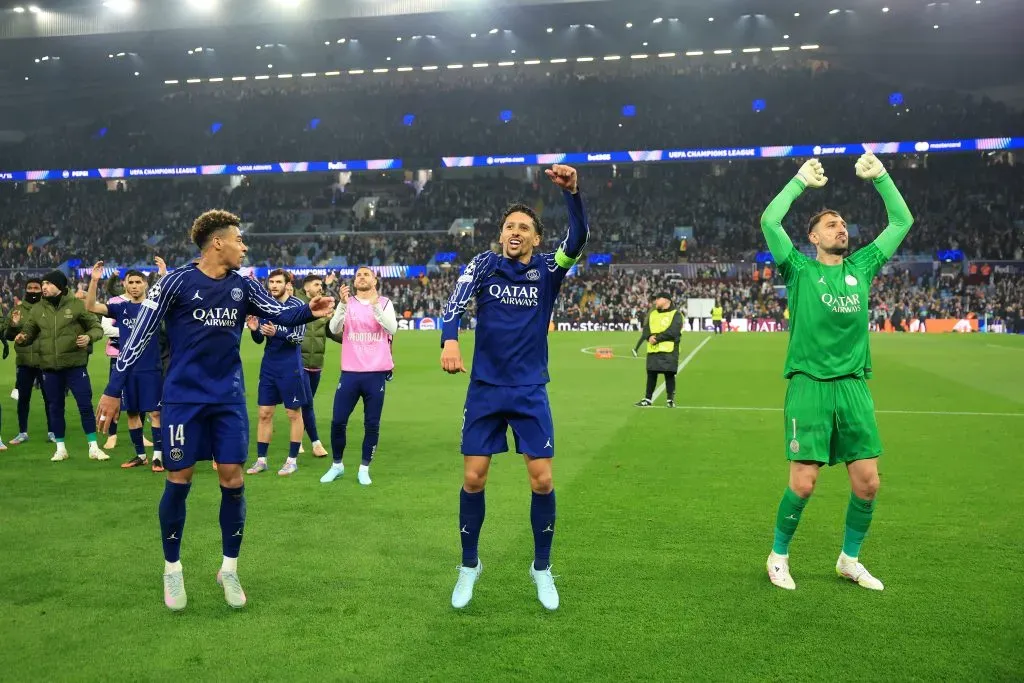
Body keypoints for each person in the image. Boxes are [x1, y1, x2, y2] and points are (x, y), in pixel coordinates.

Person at [94, 210, 334, 612]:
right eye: (240, 240)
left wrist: (310, 310)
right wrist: (114, 389)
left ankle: (229, 568)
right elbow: (140, 333)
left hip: (227, 398)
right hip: (184, 399)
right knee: (180, 476)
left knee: (232, 477)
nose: (244, 247)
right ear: (218, 242)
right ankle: (172, 568)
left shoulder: (245, 286)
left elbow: (279, 314)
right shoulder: (175, 282)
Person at [759, 153, 913, 592]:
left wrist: (882, 177)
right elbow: (770, 222)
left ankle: (849, 559)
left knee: (868, 483)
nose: (840, 228)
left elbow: (901, 221)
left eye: (843, 223)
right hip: (809, 386)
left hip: (853, 388)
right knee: (804, 484)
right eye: (830, 224)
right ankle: (778, 555)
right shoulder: (799, 270)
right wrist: (798, 182)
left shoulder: (860, 267)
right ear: (812, 237)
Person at [440, 164, 589, 611]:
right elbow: (454, 303)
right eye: (509, 226)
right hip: (485, 388)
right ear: (501, 234)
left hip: (528, 390)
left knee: (542, 480)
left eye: (524, 227)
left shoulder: (548, 269)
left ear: (537, 238)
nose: (515, 232)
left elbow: (578, 239)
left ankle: (541, 568)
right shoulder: (483, 264)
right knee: (473, 477)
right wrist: (450, 339)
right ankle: (470, 565)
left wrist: (572, 195)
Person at [14, 270, 107, 461]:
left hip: (75, 366)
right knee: (55, 407)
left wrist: (88, 337)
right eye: (43, 283)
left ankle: (93, 447)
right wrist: (22, 338)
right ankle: (60, 449)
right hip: (50, 368)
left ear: (60, 286)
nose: (44, 287)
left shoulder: (76, 306)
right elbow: (28, 333)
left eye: (48, 283)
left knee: (85, 406)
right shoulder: (38, 309)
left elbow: (97, 328)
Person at [86, 261, 166, 470]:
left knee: (156, 413)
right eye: (130, 282)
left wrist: (164, 275)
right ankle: (140, 455)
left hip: (151, 368)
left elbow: (172, 300)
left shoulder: (155, 308)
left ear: (146, 284)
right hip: (127, 370)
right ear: (125, 285)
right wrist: (94, 280)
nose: (134, 286)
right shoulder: (120, 308)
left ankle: (158, 456)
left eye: (138, 282)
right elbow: (91, 307)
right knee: (131, 413)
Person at [321, 266, 397, 486]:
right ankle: (337, 465)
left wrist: (375, 307)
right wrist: (342, 305)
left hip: (375, 374)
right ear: (354, 282)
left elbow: (392, 328)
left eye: (366, 274)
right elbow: (334, 328)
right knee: (337, 421)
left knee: (371, 424)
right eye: (358, 275)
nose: (361, 277)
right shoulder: (348, 303)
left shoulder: (384, 303)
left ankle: (364, 468)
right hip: (351, 372)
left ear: (375, 281)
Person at [246, 269, 310, 477]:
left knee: (293, 413)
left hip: (290, 366)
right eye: (271, 282)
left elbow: (299, 338)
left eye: (278, 282)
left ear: (287, 283)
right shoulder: (264, 306)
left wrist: (279, 332)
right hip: (269, 366)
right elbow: (259, 340)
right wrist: (255, 329)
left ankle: (292, 460)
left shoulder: (298, 306)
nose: (273, 285)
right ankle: (261, 460)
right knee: (264, 413)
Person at [295, 273, 342, 458]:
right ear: (306, 288)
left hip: (317, 364)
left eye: (321, 284)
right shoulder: (297, 303)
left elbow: (331, 332)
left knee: (305, 404)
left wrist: (352, 339)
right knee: (307, 403)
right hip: (300, 362)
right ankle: (315, 443)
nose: (320, 287)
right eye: (316, 284)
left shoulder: (323, 307)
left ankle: (296, 439)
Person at [5, 278, 55, 446]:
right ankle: (22, 432)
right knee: (23, 398)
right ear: (25, 290)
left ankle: (52, 431)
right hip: (24, 361)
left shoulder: (48, 308)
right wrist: (13, 324)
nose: (33, 291)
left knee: (49, 398)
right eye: (30, 288)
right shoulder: (17, 310)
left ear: (41, 289)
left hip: (45, 361)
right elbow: (8, 335)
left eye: (36, 288)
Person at [632, 293, 683, 408]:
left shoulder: (676, 314)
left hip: (669, 349)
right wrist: (649, 336)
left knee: (669, 374)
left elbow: (673, 331)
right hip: (653, 349)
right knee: (651, 373)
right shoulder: (652, 313)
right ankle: (647, 399)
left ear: (666, 300)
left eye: (658, 299)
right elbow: (646, 328)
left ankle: (670, 400)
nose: (655, 302)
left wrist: (657, 338)